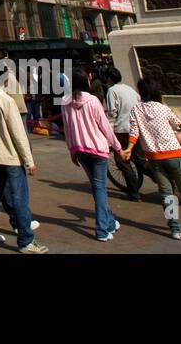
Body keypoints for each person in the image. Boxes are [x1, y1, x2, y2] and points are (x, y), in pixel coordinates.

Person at [125, 77, 181, 240]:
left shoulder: (136, 109)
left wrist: (129, 148)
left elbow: (134, 131)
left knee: (166, 194)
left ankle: (175, 229)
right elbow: (177, 124)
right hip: (173, 154)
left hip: (154, 158)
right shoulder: (162, 107)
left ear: (141, 92)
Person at [0, 72, 47, 253]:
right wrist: (29, 162)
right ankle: (26, 240)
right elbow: (19, 134)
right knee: (19, 197)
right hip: (10, 156)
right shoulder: (6, 101)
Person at [62, 66, 125, 242]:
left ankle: (110, 222)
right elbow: (105, 126)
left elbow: (67, 130)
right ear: (86, 81)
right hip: (97, 149)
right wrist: (118, 147)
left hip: (80, 150)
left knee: (97, 188)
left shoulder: (65, 102)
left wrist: (71, 150)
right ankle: (102, 230)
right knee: (99, 190)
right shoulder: (93, 101)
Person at [104, 66, 142, 200]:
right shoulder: (130, 89)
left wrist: (108, 132)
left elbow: (112, 112)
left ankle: (133, 192)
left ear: (108, 78)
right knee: (139, 158)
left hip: (122, 129)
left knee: (122, 161)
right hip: (136, 128)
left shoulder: (112, 91)